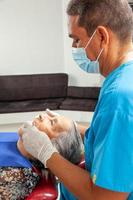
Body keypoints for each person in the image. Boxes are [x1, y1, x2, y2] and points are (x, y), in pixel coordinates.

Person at [20, 0, 133, 199]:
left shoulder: (120, 97)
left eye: (77, 39)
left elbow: (105, 198)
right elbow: (118, 138)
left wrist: (47, 153)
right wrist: (75, 128)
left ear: (101, 36)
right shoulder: (121, 78)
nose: (74, 47)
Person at [0, 113, 83, 200]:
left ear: (53, 147)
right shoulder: (19, 138)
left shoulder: (16, 177)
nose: (41, 115)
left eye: (51, 122)